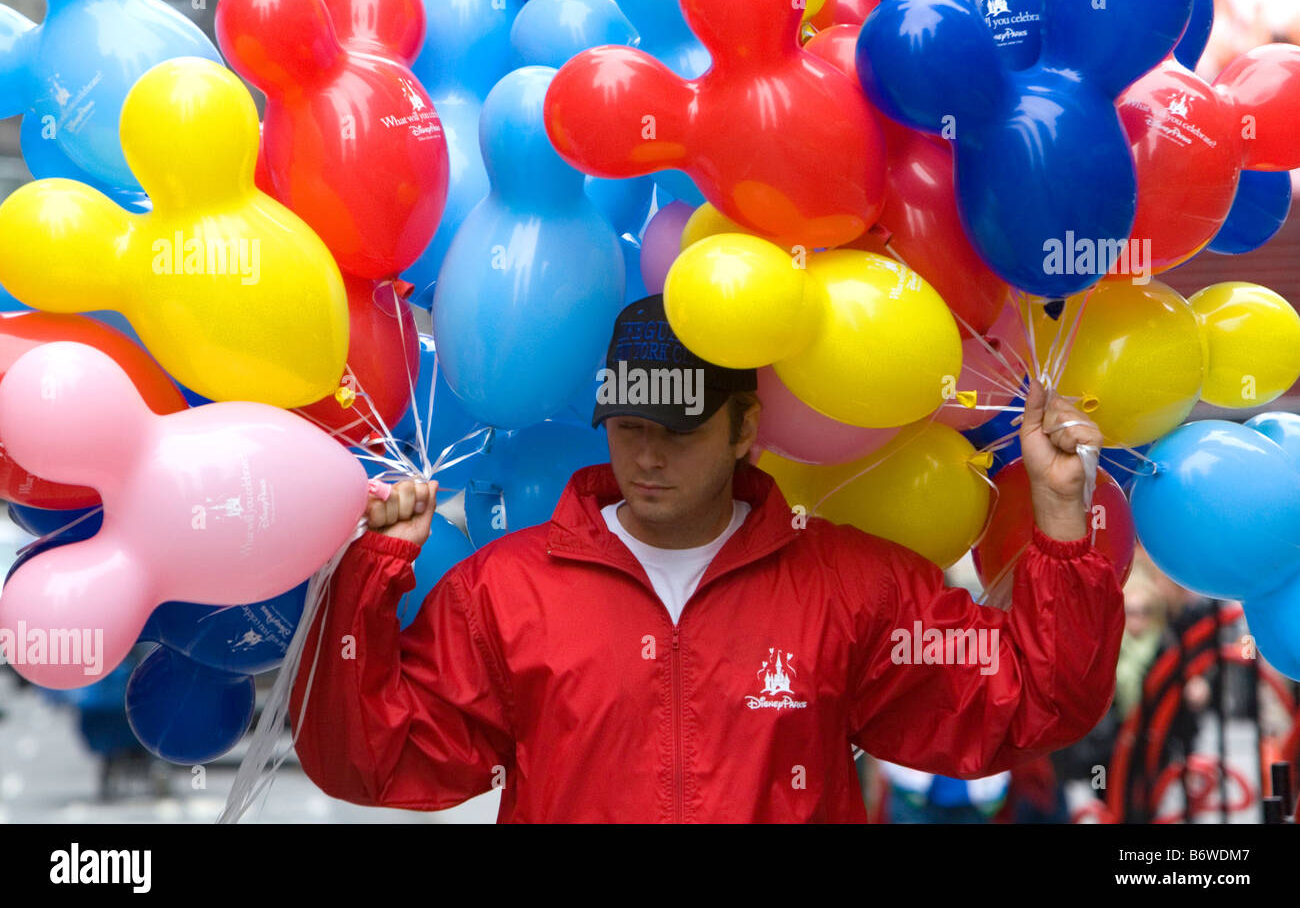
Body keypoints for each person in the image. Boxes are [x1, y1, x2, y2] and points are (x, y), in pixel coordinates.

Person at [289, 294, 1124, 823]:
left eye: (680, 431)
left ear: (744, 428)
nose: (648, 456)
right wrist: (368, 577)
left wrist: (1058, 519)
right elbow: (369, 763)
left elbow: (1035, 703)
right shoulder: (503, 591)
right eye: (629, 428)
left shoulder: (853, 590)